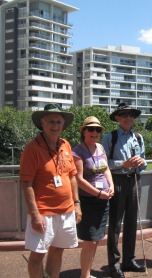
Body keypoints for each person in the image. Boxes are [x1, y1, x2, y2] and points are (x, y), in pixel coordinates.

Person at [20, 103, 81, 278]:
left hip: (67, 210)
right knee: (38, 254)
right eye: (51, 122)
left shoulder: (65, 145)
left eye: (58, 122)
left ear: (63, 124)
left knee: (58, 251)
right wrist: (35, 214)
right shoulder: (32, 148)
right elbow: (26, 183)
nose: (55, 126)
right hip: (44, 212)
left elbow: (72, 176)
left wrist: (77, 204)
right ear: (43, 123)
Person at [101, 103, 147, 278]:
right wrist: (123, 164)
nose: (128, 118)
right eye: (124, 115)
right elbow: (103, 164)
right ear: (118, 118)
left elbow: (144, 161)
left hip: (135, 181)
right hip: (117, 181)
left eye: (131, 115)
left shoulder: (139, 137)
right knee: (115, 224)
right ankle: (114, 264)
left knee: (131, 223)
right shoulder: (109, 137)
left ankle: (128, 260)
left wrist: (141, 163)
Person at [72, 116, 115, 278]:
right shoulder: (78, 151)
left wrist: (110, 186)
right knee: (90, 241)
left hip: (103, 201)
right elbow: (79, 179)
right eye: (90, 129)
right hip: (89, 201)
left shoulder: (100, 148)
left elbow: (105, 170)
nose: (94, 132)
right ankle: (84, 275)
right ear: (83, 131)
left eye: (97, 130)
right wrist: (98, 193)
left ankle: (87, 273)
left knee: (96, 239)